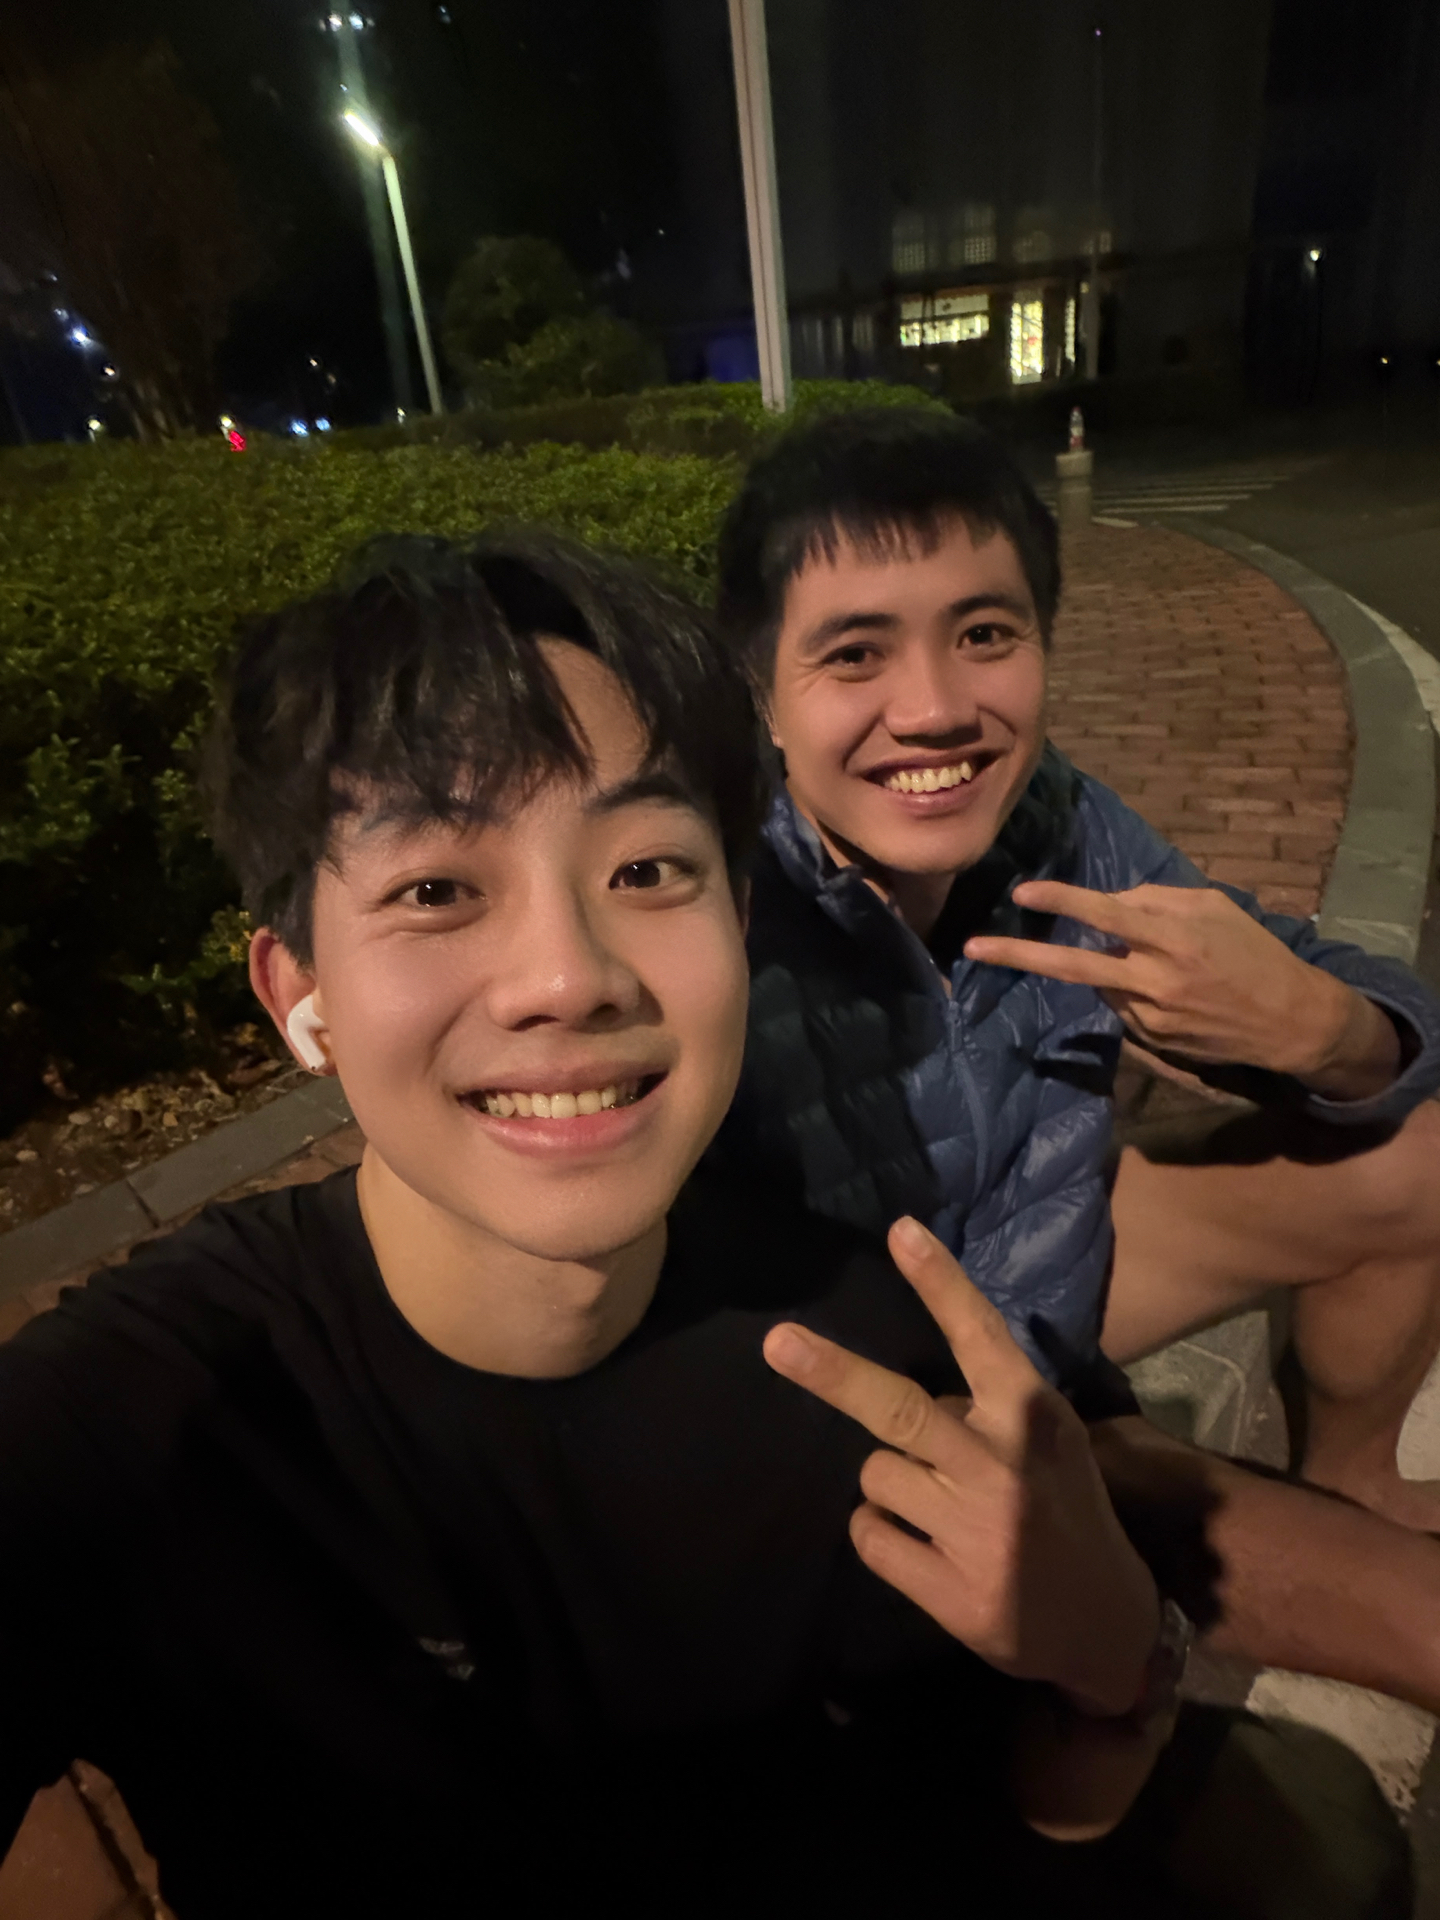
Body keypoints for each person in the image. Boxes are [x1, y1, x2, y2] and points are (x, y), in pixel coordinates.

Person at [0, 530, 1411, 1918]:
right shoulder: (141, 1428)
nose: (569, 978)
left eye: (646, 871)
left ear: (738, 919)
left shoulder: (857, 1344)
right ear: (297, 991)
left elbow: (1027, 1822)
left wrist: (1112, 1665)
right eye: (437, 890)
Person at [713, 405, 1440, 1539]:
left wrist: (1330, 1031)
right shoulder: (711, 901)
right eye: (855, 654)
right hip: (854, 1416)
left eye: (985, 634)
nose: (937, 712)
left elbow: (1315, 985)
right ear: (762, 696)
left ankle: (1353, 1482)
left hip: (1055, 1283)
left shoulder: (1056, 817)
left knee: (1421, 1153)